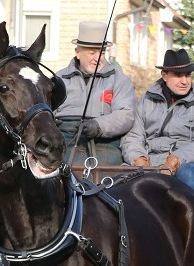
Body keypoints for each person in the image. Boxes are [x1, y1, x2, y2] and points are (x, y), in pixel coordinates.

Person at [121, 48, 194, 197]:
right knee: (117, 178)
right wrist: (138, 159)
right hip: (150, 162)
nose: (185, 81)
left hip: (189, 164)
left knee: (187, 173)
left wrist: (176, 159)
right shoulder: (146, 99)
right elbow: (133, 136)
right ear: (164, 75)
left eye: (188, 75)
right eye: (178, 75)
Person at [54, 21, 137, 166]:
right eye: (92, 52)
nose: (98, 57)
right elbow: (45, 111)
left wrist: (99, 126)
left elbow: (126, 114)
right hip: (64, 144)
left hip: (104, 146)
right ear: (78, 53)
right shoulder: (59, 79)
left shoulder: (119, 80)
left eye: (102, 52)